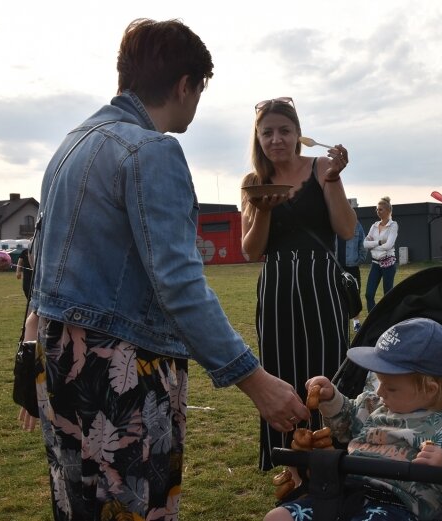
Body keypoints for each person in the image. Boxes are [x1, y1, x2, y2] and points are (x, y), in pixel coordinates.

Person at [31, 19, 308, 520]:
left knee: (78, 509)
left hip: (58, 361)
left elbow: (41, 264)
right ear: (185, 85)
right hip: (123, 371)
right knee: (136, 507)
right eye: (198, 90)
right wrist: (254, 379)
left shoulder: (71, 145)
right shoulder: (151, 149)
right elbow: (178, 282)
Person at [264, 317, 442, 521]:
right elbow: (345, 423)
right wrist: (331, 398)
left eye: (391, 387)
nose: (379, 391)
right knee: (278, 517)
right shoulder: (374, 405)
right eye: (378, 381)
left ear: (430, 390)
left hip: (397, 507)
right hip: (344, 491)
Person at [240, 97, 357, 471]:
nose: (276, 139)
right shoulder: (254, 182)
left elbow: (347, 228)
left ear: (298, 134)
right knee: (279, 374)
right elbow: (250, 250)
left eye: (284, 130)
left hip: (320, 284)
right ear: (257, 137)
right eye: (267, 132)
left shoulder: (322, 166)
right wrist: (263, 212)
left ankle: (334, 459)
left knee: (328, 369)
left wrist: (334, 179)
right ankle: (289, 464)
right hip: (277, 287)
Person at [364, 197, 399, 312]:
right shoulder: (374, 226)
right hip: (375, 263)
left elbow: (389, 245)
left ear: (388, 211)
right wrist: (378, 242)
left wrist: (372, 245)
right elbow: (364, 243)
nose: (378, 211)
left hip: (388, 263)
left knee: (388, 296)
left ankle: (389, 320)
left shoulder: (393, 225)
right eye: (377, 209)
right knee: (369, 294)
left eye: (381, 209)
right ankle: (373, 321)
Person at [338, 220, 367, 332]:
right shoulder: (333, 221)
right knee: (338, 294)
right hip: (336, 265)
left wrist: (360, 260)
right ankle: (341, 321)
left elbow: (363, 243)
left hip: (352, 266)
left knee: (354, 293)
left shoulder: (356, 224)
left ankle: (356, 323)